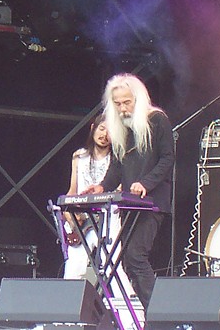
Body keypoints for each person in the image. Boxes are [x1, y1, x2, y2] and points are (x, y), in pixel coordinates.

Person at [82, 73, 174, 315]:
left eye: (126, 102)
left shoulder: (157, 120)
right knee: (127, 263)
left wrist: (146, 183)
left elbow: (167, 159)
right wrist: (102, 187)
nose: (122, 108)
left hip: (152, 202)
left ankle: (159, 316)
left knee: (135, 257)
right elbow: (117, 166)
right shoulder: (121, 128)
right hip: (129, 203)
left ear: (138, 98)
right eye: (118, 104)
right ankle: (151, 315)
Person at [62, 114, 135, 298]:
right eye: (102, 129)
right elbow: (73, 190)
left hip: (107, 216)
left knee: (111, 264)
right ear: (93, 128)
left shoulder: (117, 160)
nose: (105, 134)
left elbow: (117, 190)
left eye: (111, 131)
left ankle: (130, 313)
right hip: (81, 220)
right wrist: (69, 216)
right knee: (74, 268)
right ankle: (66, 316)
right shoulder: (79, 156)